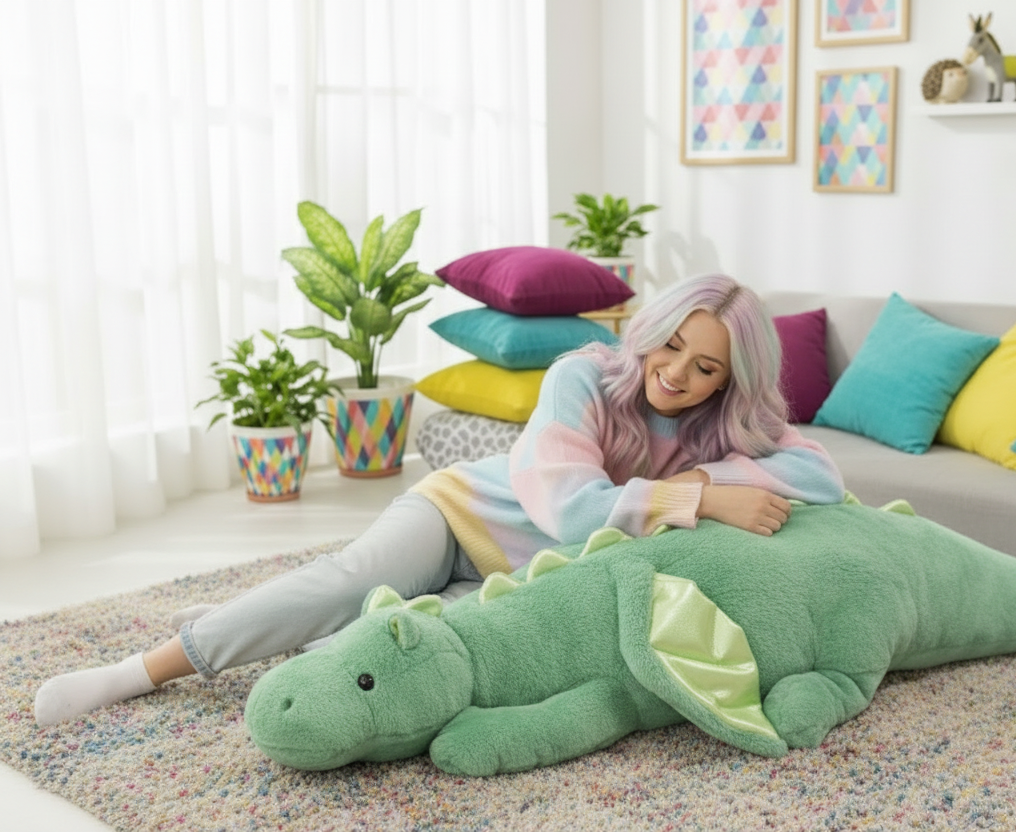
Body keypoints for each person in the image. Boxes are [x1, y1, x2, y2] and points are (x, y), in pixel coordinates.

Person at [34, 273, 845, 727]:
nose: (679, 373)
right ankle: (139, 671)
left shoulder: (724, 425)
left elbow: (821, 478)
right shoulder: (583, 378)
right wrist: (692, 502)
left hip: (524, 583)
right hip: (461, 517)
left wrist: (711, 481)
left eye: (706, 367)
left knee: (390, 647)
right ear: (653, 330)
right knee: (346, 584)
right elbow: (567, 507)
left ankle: (292, 702)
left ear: (729, 379)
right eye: (673, 345)